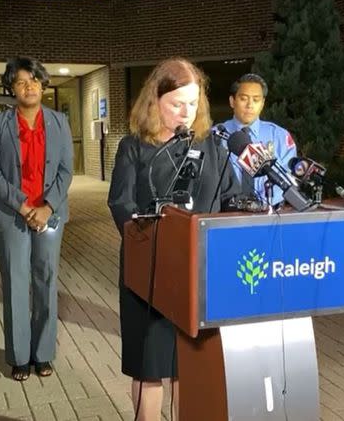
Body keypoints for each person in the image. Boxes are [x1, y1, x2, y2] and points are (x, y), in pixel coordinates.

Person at [107, 58, 238, 421]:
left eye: (193, 103)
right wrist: (150, 242)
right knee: (150, 369)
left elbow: (232, 199)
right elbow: (121, 203)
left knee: (188, 368)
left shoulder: (212, 146)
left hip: (197, 276)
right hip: (148, 276)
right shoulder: (134, 146)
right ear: (155, 100)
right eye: (177, 104)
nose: (187, 112)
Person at [0, 57, 73, 381]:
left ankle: (43, 354)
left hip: (50, 214)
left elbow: (66, 170)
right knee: (16, 284)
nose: (29, 86)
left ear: (43, 84)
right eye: (21, 81)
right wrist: (23, 207)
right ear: (11, 88)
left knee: (46, 281)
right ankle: (20, 357)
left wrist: (47, 207)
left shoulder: (59, 121)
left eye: (34, 80)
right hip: (12, 215)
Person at [219, 73, 297, 206]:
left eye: (256, 100)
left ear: (262, 103)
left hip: (269, 213)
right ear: (232, 101)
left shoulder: (279, 136)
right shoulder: (215, 136)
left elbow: (287, 178)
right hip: (224, 213)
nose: (250, 105)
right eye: (244, 99)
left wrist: (259, 204)